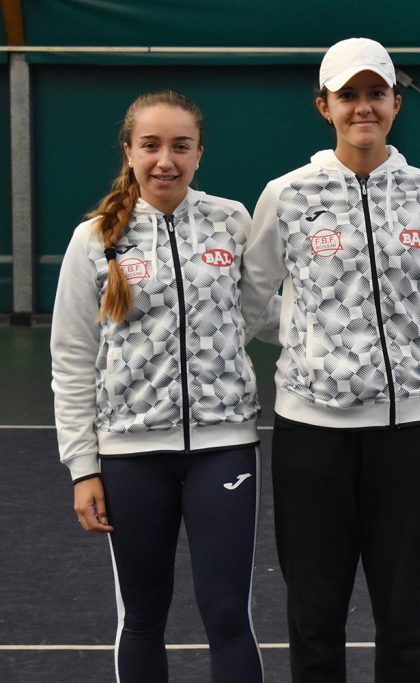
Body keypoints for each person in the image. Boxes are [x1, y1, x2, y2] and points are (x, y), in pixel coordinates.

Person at [239, 37, 420, 683]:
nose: (364, 106)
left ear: (395, 101)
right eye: (349, 95)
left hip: (413, 435)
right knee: (314, 613)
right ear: (324, 106)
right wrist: (310, 338)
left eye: (376, 93)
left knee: (406, 615)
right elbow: (252, 299)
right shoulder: (287, 194)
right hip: (313, 437)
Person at [50, 90, 263, 682]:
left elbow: (260, 314)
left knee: (228, 615)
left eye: (180, 146)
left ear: (199, 154)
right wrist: (84, 467)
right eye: (151, 145)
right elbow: (71, 357)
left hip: (223, 448)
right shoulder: (93, 239)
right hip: (129, 458)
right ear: (129, 151)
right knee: (142, 617)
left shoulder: (232, 220)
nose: (164, 159)